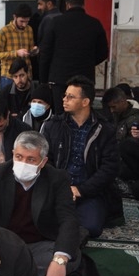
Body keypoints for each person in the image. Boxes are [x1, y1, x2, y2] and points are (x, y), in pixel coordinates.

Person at [0, 131, 81, 276]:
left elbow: (68, 219)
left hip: (37, 246)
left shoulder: (57, 179)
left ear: (43, 162)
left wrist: (59, 260)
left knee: (69, 256)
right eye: (19, 157)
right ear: (12, 154)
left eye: (31, 159)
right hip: (1, 243)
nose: (23, 163)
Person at [42, 75, 120, 237]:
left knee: (91, 227)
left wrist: (80, 190)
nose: (64, 100)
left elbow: (109, 168)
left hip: (90, 191)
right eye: (65, 95)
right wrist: (61, 187)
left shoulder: (105, 129)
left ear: (85, 102)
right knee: (40, 221)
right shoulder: (53, 126)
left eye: (70, 97)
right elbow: (45, 160)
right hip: (58, 189)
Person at [39, 0, 109, 114]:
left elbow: (45, 53)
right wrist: (88, 62)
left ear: (67, 4)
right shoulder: (94, 24)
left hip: (59, 79)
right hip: (85, 78)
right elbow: (103, 52)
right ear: (83, 4)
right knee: (83, 114)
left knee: (61, 115)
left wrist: (44, 80)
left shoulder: (55, 22)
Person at [0, 4, 37, 91]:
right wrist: (16, 53)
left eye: (27, 21)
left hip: (26, 74)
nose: (24, 24)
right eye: (21, 21)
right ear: (15, 17)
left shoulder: (29, 29)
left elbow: (30, 49)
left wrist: (33, 51)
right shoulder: (4, 31)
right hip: (9, 75)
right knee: (6, 98)